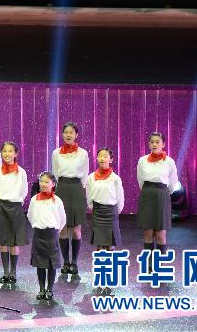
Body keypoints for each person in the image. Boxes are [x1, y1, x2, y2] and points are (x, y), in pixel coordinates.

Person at [51, 122, 88, 277]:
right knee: (63, 227)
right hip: (62, 188)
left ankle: (74, 262)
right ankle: (65, 261)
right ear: (62, 134)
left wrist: (80, 189)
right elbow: (55, 173)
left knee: (76, 228)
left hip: (77, 189)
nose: (68, 135)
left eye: (71, 132)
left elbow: (85, 174)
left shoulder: (83, 153)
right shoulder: (56, 153)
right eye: (66, 132)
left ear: (76, 135)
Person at [86, 147, 125, 296]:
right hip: (97, 212)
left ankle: (110, 280)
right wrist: (94, 207)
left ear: (111, 159)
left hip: (111, 213)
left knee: (110, 247)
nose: (102, 158)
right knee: (99, 247)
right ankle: (100, 279)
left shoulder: (115, 178)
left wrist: (115, 212)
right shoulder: (91, 177)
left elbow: (120, 199)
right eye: (100, 156)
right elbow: (89, 197)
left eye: (105, 156)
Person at [0, 141, 28, 285]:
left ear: (16, 153)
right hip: (1, 207)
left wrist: (17, 201)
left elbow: (24, 190)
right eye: (4, 151)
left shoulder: (21, 172)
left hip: (15, 207)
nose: (7, 154)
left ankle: (13, 272)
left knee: (13, 241)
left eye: (10, 151)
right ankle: (5, 272)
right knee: (3, 241)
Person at [137, 132, 178, 259]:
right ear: (149, 144)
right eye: (152, 142)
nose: (154, 144)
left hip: (162, 197)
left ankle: (160, 265)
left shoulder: (169, 161)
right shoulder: (142, 160)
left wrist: (163, 193)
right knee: (148, 233)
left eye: (157, 142)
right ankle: (149, 266)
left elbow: (173, 182)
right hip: (147, 196)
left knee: (161, 234)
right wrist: (149, 190)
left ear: (163, 144)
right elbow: (140, 180)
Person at [27, 172, 66, 301]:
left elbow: (62, 219)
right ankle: (41, 289)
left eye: (46, 182)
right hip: (38, 234)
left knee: (51, 263)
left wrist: (55, 230)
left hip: (52, 235)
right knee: (40, 263)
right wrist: (38, 226)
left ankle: (50, 289)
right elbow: (30, 216)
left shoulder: (57, 201)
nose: (43, 184)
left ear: (53, 184)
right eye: (41, 181)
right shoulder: (34, 199)